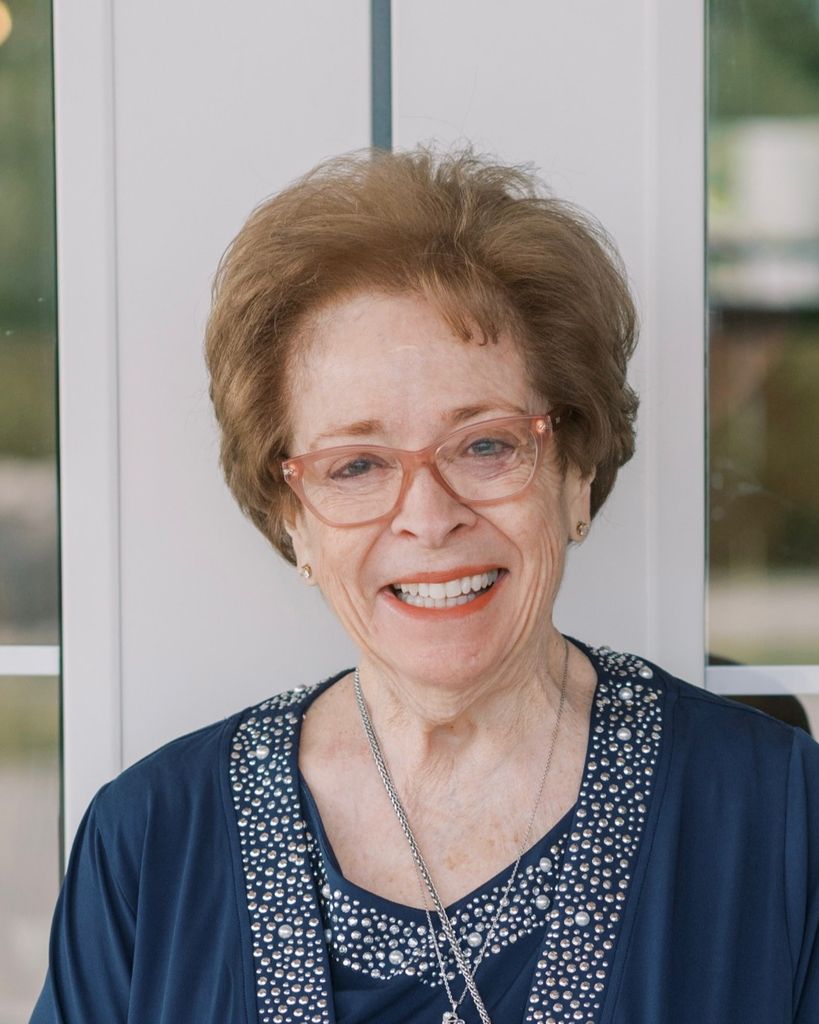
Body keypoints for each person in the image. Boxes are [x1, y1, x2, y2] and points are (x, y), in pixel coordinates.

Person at [32, 148, 819, 1024]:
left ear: (574, 474)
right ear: (293, 519)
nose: (428, 517)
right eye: (356, 463)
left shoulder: (779, 814)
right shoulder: (148, 839)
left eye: (484, 444)